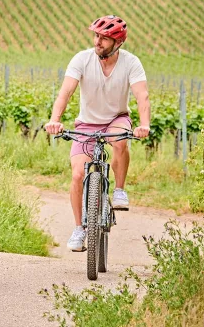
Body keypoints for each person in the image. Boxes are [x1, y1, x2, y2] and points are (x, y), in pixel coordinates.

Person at [44, 16, 151, 252]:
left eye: (104, 38)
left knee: (121, 140)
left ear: (118, 42)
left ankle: (120, 189)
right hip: (86, 124)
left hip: (116, 119)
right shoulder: (82, 59)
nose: (98, 41)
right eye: (96, 36)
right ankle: (79, 228)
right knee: (76, 175)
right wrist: (55, 120)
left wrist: (144, 124)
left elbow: (142, 96)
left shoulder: (131, 63)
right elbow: (65, 93)